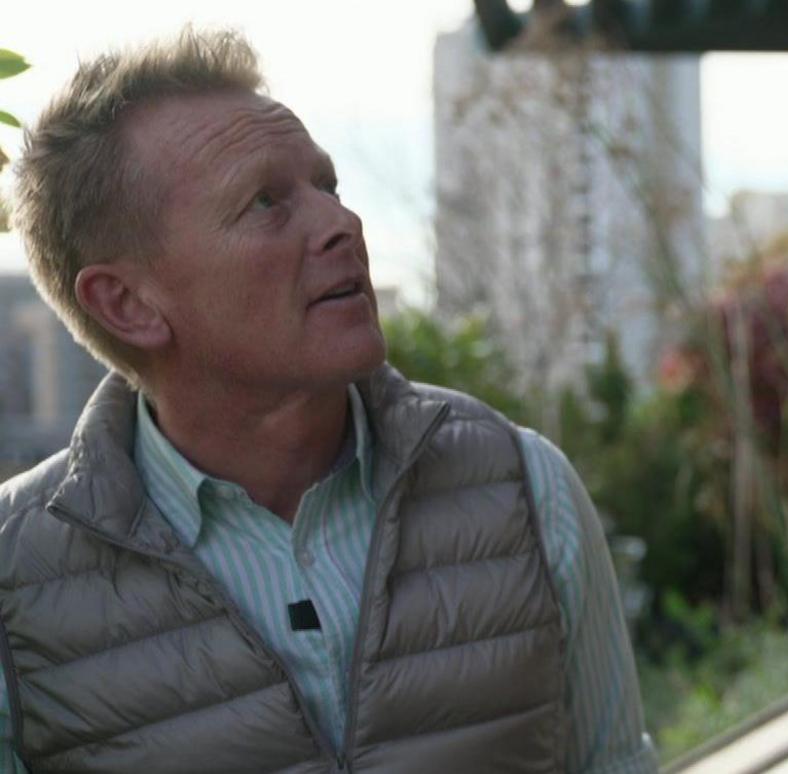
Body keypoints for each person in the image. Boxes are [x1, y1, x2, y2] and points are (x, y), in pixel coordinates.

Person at [0, 28, 656, 774]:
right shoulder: (14, 582)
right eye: (267, 202)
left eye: (328, 186)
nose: (342, 225)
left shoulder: (527, 490)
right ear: (128, 303)